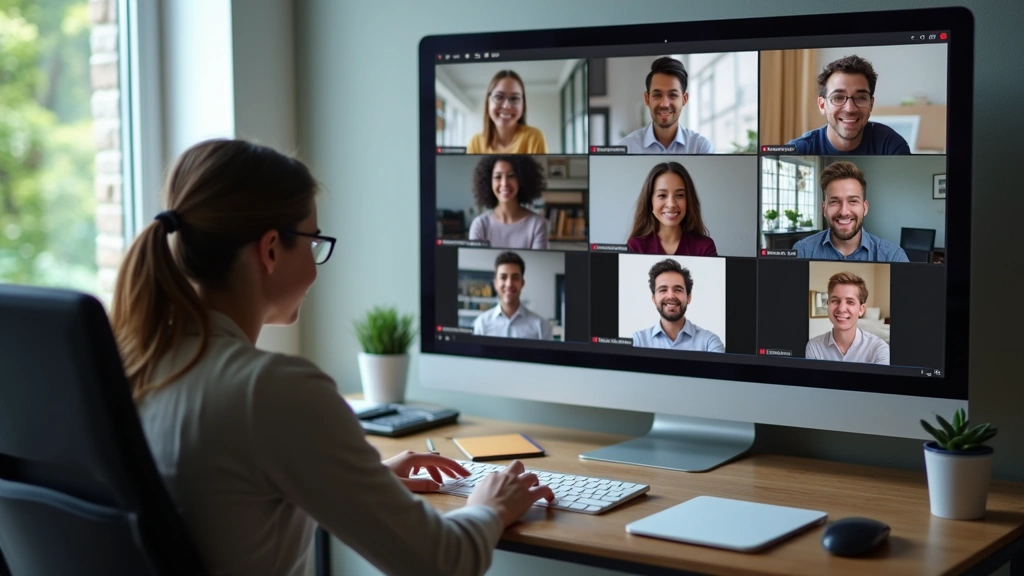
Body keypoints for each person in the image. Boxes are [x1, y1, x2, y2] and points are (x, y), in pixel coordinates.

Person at [109, 139, 553, 576]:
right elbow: (443, 562)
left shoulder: (136, 365)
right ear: (269, 251)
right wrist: (490, 506)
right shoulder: (273, 390)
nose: (316, 262)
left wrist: (357, 479)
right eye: (312, 242)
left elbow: (227, 504)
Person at [787, 55, 911, 155]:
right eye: (838, 98)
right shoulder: (798, 150)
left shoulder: (891, 145)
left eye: (861, 98)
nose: (850, 108)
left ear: (871, 104)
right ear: (822, 105)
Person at [793, 161, 908, 262]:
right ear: (824, 208)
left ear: (865, 208)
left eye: (853, 201)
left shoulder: (893, 256)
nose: (844, 212)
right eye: (834, 201)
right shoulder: (802, 251)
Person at [616, 57, 714, 154]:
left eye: (672, 95)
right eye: (657, 95)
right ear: (647, 99)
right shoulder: (627, 148)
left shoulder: (701, 148)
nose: (664, 104)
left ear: (684, 99)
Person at [626, 161, 717, 256]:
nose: (671, 204)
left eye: (679, 195)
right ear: (649, 201)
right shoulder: (636, 246)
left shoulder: (704, 247)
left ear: (689, 200)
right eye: (662, 195)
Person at [632, 258, 724, 352]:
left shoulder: (710, 343)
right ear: (654, 299)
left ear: (689, 297)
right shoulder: (638, 341)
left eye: (678, 290)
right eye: (663, 290)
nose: (671, 296)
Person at [806, 272, 890, 364]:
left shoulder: (879, 349)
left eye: (850, 302)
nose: (841, 309)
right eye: (835, 301)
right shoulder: (814, 347)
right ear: (828, 304)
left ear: (861, 310)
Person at [468, 155, 549, 249]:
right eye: (498, 176)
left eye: (511, 176)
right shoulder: (480, 225)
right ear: (489, 182)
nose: (504, 183)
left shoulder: (537, 224)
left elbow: (537, 262)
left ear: (522, 179)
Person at [472, 251, 553, 340]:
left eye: (515, 278)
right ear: (495, 283)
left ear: (522, 283)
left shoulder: (541, 326)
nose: (509, 284)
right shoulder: (482, 323)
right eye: (503, 277)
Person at [466, 70, 548, 154]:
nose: (507, 106)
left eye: (514, 98)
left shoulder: (534, 137)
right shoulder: (475, 142)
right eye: (499, 97)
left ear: (523, 104)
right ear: (488, 101)